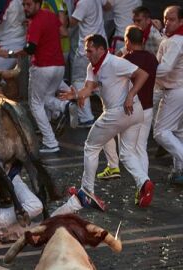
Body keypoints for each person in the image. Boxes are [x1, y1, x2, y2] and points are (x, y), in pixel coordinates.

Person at [52, 34, 151, 216]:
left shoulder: (115, 62)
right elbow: (89, 88)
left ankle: (86, 191)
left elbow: (143, 74)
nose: (86, 54)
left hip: (122, 111)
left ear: (101, 49)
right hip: (133, 113)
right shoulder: (92, 67)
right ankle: (144, 182)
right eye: (86, 50)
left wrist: (130, 95)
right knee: (127, 153)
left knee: (91, 146)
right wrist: (76, 95)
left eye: (90, 50)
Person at [0, 0, 76, 153]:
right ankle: (65, 106)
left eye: (29, 5)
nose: (25, 8)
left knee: (35, 104)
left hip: (42, 67)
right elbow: (63, 32)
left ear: (38, 4)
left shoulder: (36, 22)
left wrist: (9, 54)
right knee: (46, 99)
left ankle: (50, 142)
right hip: (59, 65)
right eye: (24, 5)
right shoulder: (51, 16)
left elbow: (30, 49)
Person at [99, 26, 158, 205]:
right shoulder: (151, 58)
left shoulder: (126, 60)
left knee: (125, 153)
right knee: (141, 149)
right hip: (148, 109)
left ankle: (143, 183)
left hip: (131, 110)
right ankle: (142, 190)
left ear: (128, 40)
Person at [153, 5, 183, 184]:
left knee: (161, 132)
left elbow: (164, 69)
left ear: (181, 21)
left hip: (175, 90)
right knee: (178, 132)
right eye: (166, 18)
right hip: (177, 89)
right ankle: (179, 170)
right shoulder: (174, 39)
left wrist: (145, 70)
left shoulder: (176, 41)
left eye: (172, 19)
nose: (167, 22)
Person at [69, 0, 107, 127]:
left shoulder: (83, 3)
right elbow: (108, 5)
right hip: (101, 47)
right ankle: (113, 110)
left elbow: (71, 22)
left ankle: (86, 117)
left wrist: (58, 16)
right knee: (100, 81)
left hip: (86, 51)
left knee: (79, 81)